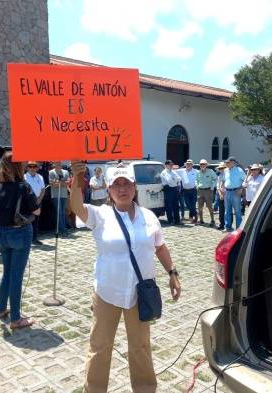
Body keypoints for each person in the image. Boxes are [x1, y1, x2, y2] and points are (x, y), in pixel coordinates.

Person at [69, 161, 181, 392]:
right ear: (109, 189)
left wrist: (172, 272)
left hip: (139, 294)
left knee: (140, 346)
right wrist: (76, 178)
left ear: (135, 187)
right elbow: (77, 208)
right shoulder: (100, 215)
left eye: (127, 184)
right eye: (116, 184)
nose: (122, 189)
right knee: (100, 346)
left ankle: (145, 388)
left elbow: (160, 247)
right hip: (107, 292)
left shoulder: (149, 216)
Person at [0, 152, 39, 329]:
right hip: (20, 232)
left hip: (2, 232)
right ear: (18, 166)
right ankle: (16, 318)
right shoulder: (23, 186)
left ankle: (2, 309)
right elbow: (37, 211)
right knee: (16, 275)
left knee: (7, 272)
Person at [221, 157, 246, 231]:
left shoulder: (239, 170)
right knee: (227, 210)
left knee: (237, 211)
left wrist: (241, 189)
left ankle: (239, 228)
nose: (226, 164)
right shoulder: (225, 170)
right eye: (226, 162)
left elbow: (245, 180)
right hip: (227, 192)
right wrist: (222, 187)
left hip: (236, 192)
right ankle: (227, 227)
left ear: (233, 163)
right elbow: (223, 180)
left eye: (228, 162)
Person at [24, 161, 46, 245]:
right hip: (27, 202)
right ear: (27, 168)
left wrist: (39, 199)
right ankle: (27, 238)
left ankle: (34, 238)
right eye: (30, 166)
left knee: (36, 221)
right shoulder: (24, 177)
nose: (32, 168)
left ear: (37, 168)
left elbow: (43, 189)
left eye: (34, 166)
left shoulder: (40, 177)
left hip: (37, 200)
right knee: (27, 220)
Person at [48, 161, 69, 234]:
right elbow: (52, 184)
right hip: (55, 195)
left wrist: (58, 182)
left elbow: (68, 183)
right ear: (54, 164)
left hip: (64, 194)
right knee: (59, 212)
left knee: (63, 212)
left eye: (59, 163)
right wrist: (62, 182)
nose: (58, 164)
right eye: (56, 163)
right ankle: (62, 229)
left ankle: (63, 227)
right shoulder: (51, 172)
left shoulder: (65, 172)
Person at [196, 159, 217, 227]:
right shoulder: (198, 172)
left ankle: (212, 220)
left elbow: (215, 179)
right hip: (200, 191)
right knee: (199, 207)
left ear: (206, 165)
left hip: (208, 191)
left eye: (203, 164)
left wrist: (212, 187)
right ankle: (201, 220)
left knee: (209, 206)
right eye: (201, 164)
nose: (202, 165)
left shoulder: (210, 171)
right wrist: (197, 186)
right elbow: (196, 180)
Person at [160, 159, 181, 225]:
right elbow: (169, 181)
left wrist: (174, 180)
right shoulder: (164, 172)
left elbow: (179, 178)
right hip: (168, 189)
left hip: (174, 189)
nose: (171, 165)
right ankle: (170, 221)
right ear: (166, 165)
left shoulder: (173, 171)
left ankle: (177, 220)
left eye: (172, 164)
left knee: (176, 206)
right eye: (170, 164)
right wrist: (174, 180)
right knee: (169, 206)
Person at [181, 159, 198, 224]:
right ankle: (195, 214)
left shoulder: (196, 171)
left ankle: (192, 218)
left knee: (193, 204)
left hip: (193, 190)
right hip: (185, 191)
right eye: (187, 164)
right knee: (188, 204)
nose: (188, 165)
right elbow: (173, 171)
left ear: (192, 165)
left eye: (190, 164)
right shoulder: (181, 171)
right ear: (185, 165)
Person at [215, 162, 227, 230]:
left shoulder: (228, 175)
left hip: (227, 194)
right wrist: (220, 194)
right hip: (220, 194)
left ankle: (228, 225)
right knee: (221, 211)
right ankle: (222, 224)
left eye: (223, 168)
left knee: (228, 211)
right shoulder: (219, 176)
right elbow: (218, 186)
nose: (221, 169)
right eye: (220, 168)